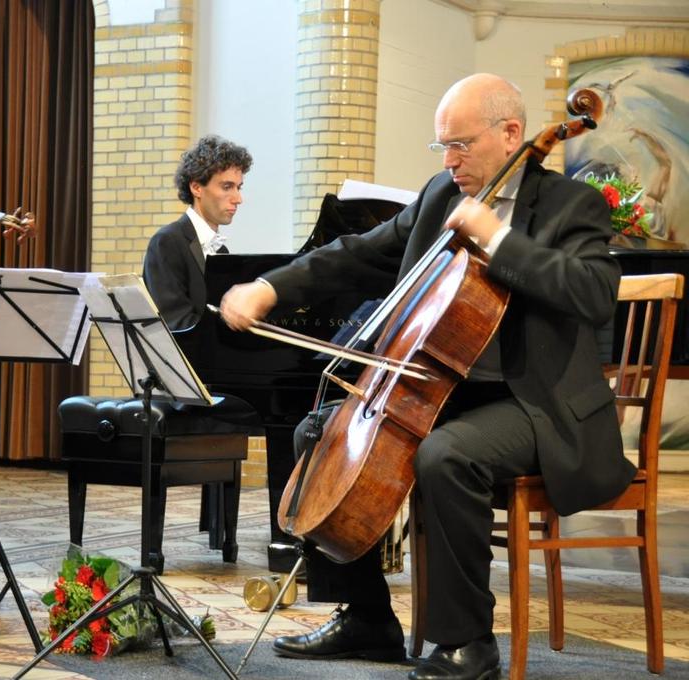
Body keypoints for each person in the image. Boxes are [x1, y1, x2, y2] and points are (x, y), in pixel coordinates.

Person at [220, 73, 635, 680]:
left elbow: (595, 295)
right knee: (318, 431)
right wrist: (269, 286)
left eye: (460, 144)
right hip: (447, 389)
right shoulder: (442, 195)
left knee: (446, 456)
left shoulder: (574, 205)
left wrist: (500, 239)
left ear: (511, 133)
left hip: (535, 403)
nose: (449, 160)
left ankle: (466, 643)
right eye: (442, 146)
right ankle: (366, 617)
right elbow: (359, 250)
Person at [143, 134, 252, 330]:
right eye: (227, 187)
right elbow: (175, 322)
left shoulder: (221, 251)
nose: (238, 198)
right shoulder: (167, 242)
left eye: (238, 187)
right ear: (196, 187)